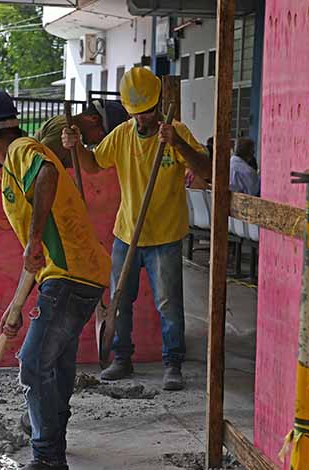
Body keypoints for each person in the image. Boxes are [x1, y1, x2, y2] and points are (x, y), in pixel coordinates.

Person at [0, 87, 111, 470]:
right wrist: (17, 305)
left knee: (33, 362)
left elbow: (45, 176)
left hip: (72, 275)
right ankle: (49, 428)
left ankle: (48, 457)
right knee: (56, 360)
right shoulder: (19, 158)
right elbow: (40, 253)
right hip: (71, 273)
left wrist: (30, 242)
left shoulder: (21, 152)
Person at [62, 67, 211, 391]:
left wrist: (179, 145)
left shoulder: (177, 132)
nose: (141, 120)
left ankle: (172, 363)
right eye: (135, 114)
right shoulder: (123, 134)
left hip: (166, 237)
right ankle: (121, 359)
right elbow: (93, 163)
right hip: (127, 234)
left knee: (168, 304)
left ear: (157, 106)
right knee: (120, 300)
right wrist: (75, 147)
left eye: (146, 113)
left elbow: (206, 170)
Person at [35, 99, 129, 167]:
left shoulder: (72, 134)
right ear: (94, 119)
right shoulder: (65, 130)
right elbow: (39, 167)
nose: (100, 142)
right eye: (103, 135)